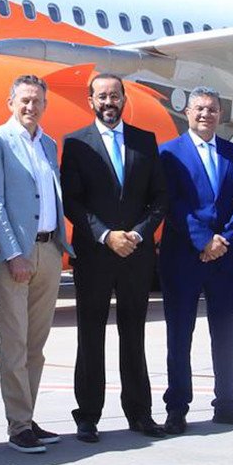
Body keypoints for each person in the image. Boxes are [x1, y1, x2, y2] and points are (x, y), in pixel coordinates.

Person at [62, 73, 169, 442]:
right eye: (102, 96)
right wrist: (107, 235)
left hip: (136, 254)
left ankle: (139, 412)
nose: (109, 103)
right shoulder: (76, 144)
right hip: (95, 254)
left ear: (124, 99)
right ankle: (88, 415)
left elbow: (159, 198)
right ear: (90, 100)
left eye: (115, 96)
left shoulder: (144, 141)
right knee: (90, 336)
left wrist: (137, 233)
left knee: (133, 334)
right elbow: (72, 201)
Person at [0, 75, 72, 454]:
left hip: (49, 250)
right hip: (15, 254)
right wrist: (14, 252)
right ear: (10, 102)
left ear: (45, 105)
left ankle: (28, 415)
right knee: (15, 342)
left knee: (37, 343)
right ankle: (17, 424)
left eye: (37, 101)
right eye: (24, 100)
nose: (30, 107)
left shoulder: (48, 143)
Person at [157, 87, 233, 434]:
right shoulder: (169, 153)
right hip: (184, 257)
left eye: (213, 109)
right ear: (187, 112)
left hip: (225, 258)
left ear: (220, 114)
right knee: (180, 334)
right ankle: (177, 407)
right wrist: (203, 239)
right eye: (200, 108)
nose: (206, 114)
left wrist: (225, 240)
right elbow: (172, 204)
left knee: (226, 333)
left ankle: (227, 404)